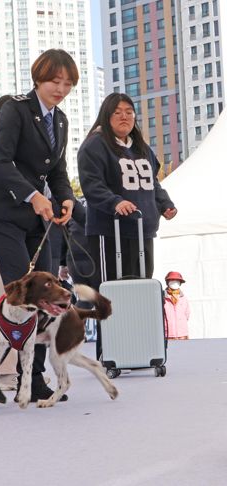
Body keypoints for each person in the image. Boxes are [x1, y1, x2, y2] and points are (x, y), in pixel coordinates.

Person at [0, 49, 78, 404]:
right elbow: (0, 161)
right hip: (1, 215)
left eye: (68, 83)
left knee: (48, 295)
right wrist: (32, 196)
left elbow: (56, 171)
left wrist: (65, 197)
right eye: (55, 81)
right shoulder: (15, 109)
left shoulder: (60, 120)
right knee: (20, 295)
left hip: (37, 221)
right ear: (38, 78)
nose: (61, 89)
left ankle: (34, 376)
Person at [77, 93, 176, 360]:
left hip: (142, 229)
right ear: (106, 116)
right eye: (117, 112)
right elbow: (92, 184)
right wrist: (115, 202)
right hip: (110, 232)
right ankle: (111, 351)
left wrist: (164, 204)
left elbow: (152, 183)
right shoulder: (95, 145)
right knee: (112, 294)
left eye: (129, 112)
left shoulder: (141, 147)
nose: (125, 116)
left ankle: (141, 347)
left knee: (141, 291)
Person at [163, 271, 190, 340]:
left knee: (184, 350)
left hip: (182, 334)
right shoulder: (161, 297)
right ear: (167, 282)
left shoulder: (183, 298)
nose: (175, 282)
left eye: (177, 281)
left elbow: (187, 314)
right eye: (172, 280)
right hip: (167, 334)